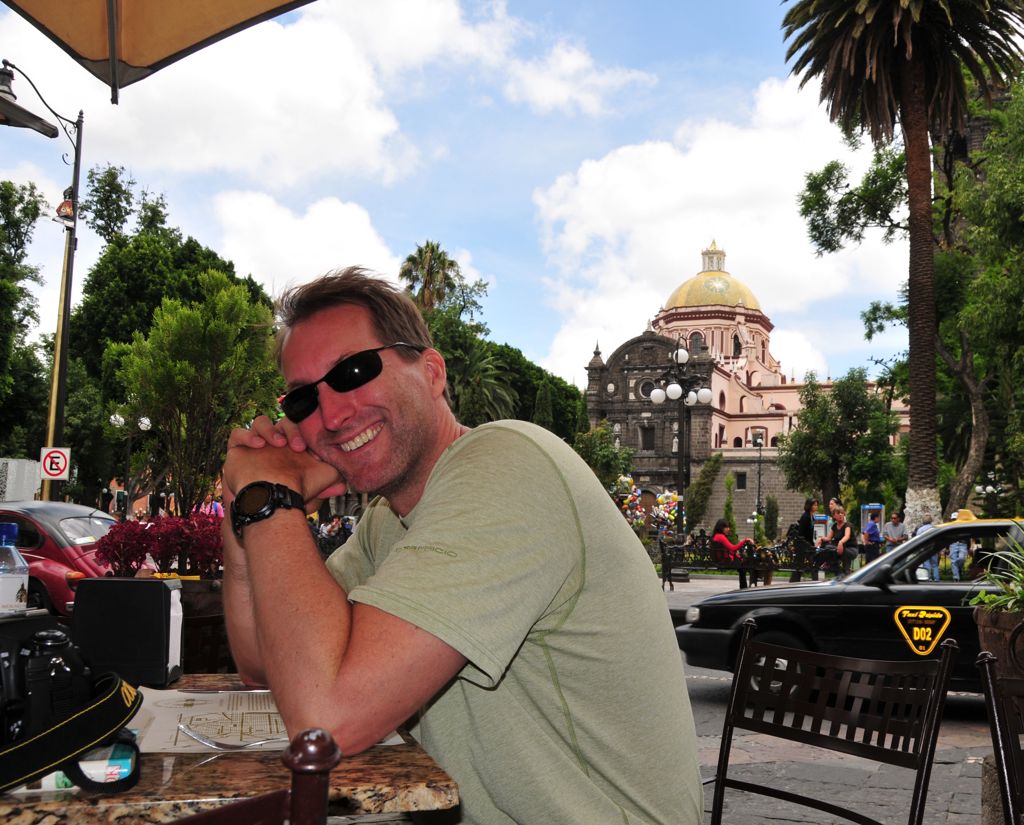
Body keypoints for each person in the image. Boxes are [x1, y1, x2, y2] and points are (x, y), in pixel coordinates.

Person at [221, 268, 702, 825]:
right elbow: (263, 662)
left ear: (431, 372)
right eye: (304, 400)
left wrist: (269, 496)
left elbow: (326, 721)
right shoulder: (388, 520)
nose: (331, 415)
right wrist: (245, 507)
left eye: (354, 371)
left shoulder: (509, 465)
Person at [710, 518, 754, 589]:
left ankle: (744, 587)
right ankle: (744, 588)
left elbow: (727, 549)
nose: (728, 529)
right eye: (726, 527)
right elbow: (733, 548)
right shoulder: (721, 537)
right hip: (726, 561)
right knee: (746, 566)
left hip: (723, 560)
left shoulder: (716, 536)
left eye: (728, 527)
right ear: (721, 528)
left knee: (743, 566)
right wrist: (745, 540)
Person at [789, 498, 819, 583]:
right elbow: (801, 533)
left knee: (801, 565)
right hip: (803, 545)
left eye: (817, 505)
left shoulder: (811, 516)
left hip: (808, 544)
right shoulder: (805, 516)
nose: (816, 506)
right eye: (814, 505)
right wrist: (809, 544)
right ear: (809, 506)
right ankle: (795, 582)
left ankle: (795, 581)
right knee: (802, 565)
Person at [821, 506, 856, 575]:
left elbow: (847, 536)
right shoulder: (834, 526)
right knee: (827, 547)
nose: (840, 514)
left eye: (842, 513)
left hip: (850, 548)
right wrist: (821, 539)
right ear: (834, 516)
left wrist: (841, 542)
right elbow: (828, 538)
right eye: (838, 513)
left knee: (838, 553)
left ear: (844, 514)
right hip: (839, 549)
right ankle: (835, 569)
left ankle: (843, 571)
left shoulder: (847, 525)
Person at [916, 513, 940, 581]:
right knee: (935, 564)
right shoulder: (935, 528)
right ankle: (936, 579)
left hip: (925, 549)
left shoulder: (920, 530)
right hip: (934, 548)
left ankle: (928, 578)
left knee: (927, 564)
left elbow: (918, 540)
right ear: (931, 520)